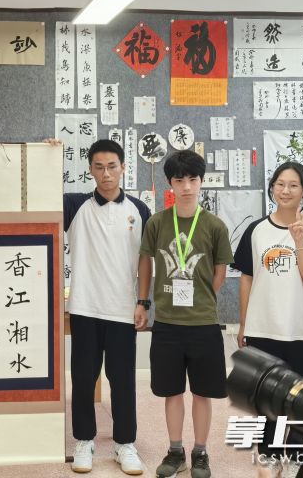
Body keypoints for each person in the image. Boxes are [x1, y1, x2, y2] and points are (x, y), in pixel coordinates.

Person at [232, 161, 303, 477]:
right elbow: (247, 278)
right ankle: (270, 457)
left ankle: (297, 461)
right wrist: (244, 323)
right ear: (272, 188)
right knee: (266, 401)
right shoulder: (256, 230)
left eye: (293, 185)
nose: (285, 190)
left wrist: (299, 240)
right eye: (280, 184)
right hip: (263, 329)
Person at [138, 149, 233, 478]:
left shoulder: (215, 225)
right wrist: (144, 301)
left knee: (203, 392)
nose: (187, 187)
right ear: (170, 183)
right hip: (167, 323)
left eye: (193, 179)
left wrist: (201, 299)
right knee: (171, 391)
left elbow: (220, 273)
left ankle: (201, 452)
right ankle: (176, 450)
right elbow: (146, 263)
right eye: (180, 180)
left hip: (203, 323)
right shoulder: (157, 223)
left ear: (202, 181)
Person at [59, 139, 151, 475]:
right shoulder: (74, 205)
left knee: (123, 379)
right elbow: (35, 192)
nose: (106, 173)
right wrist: (50, 151)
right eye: (99, 167)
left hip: (123, 309)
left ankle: (125, 444)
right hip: (84, 306)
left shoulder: (139, 210)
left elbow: (145, 259)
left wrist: (143, 301)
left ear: (123, 167)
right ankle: (84, 440)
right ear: (90, 170)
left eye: (112, 166)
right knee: (83, 378)